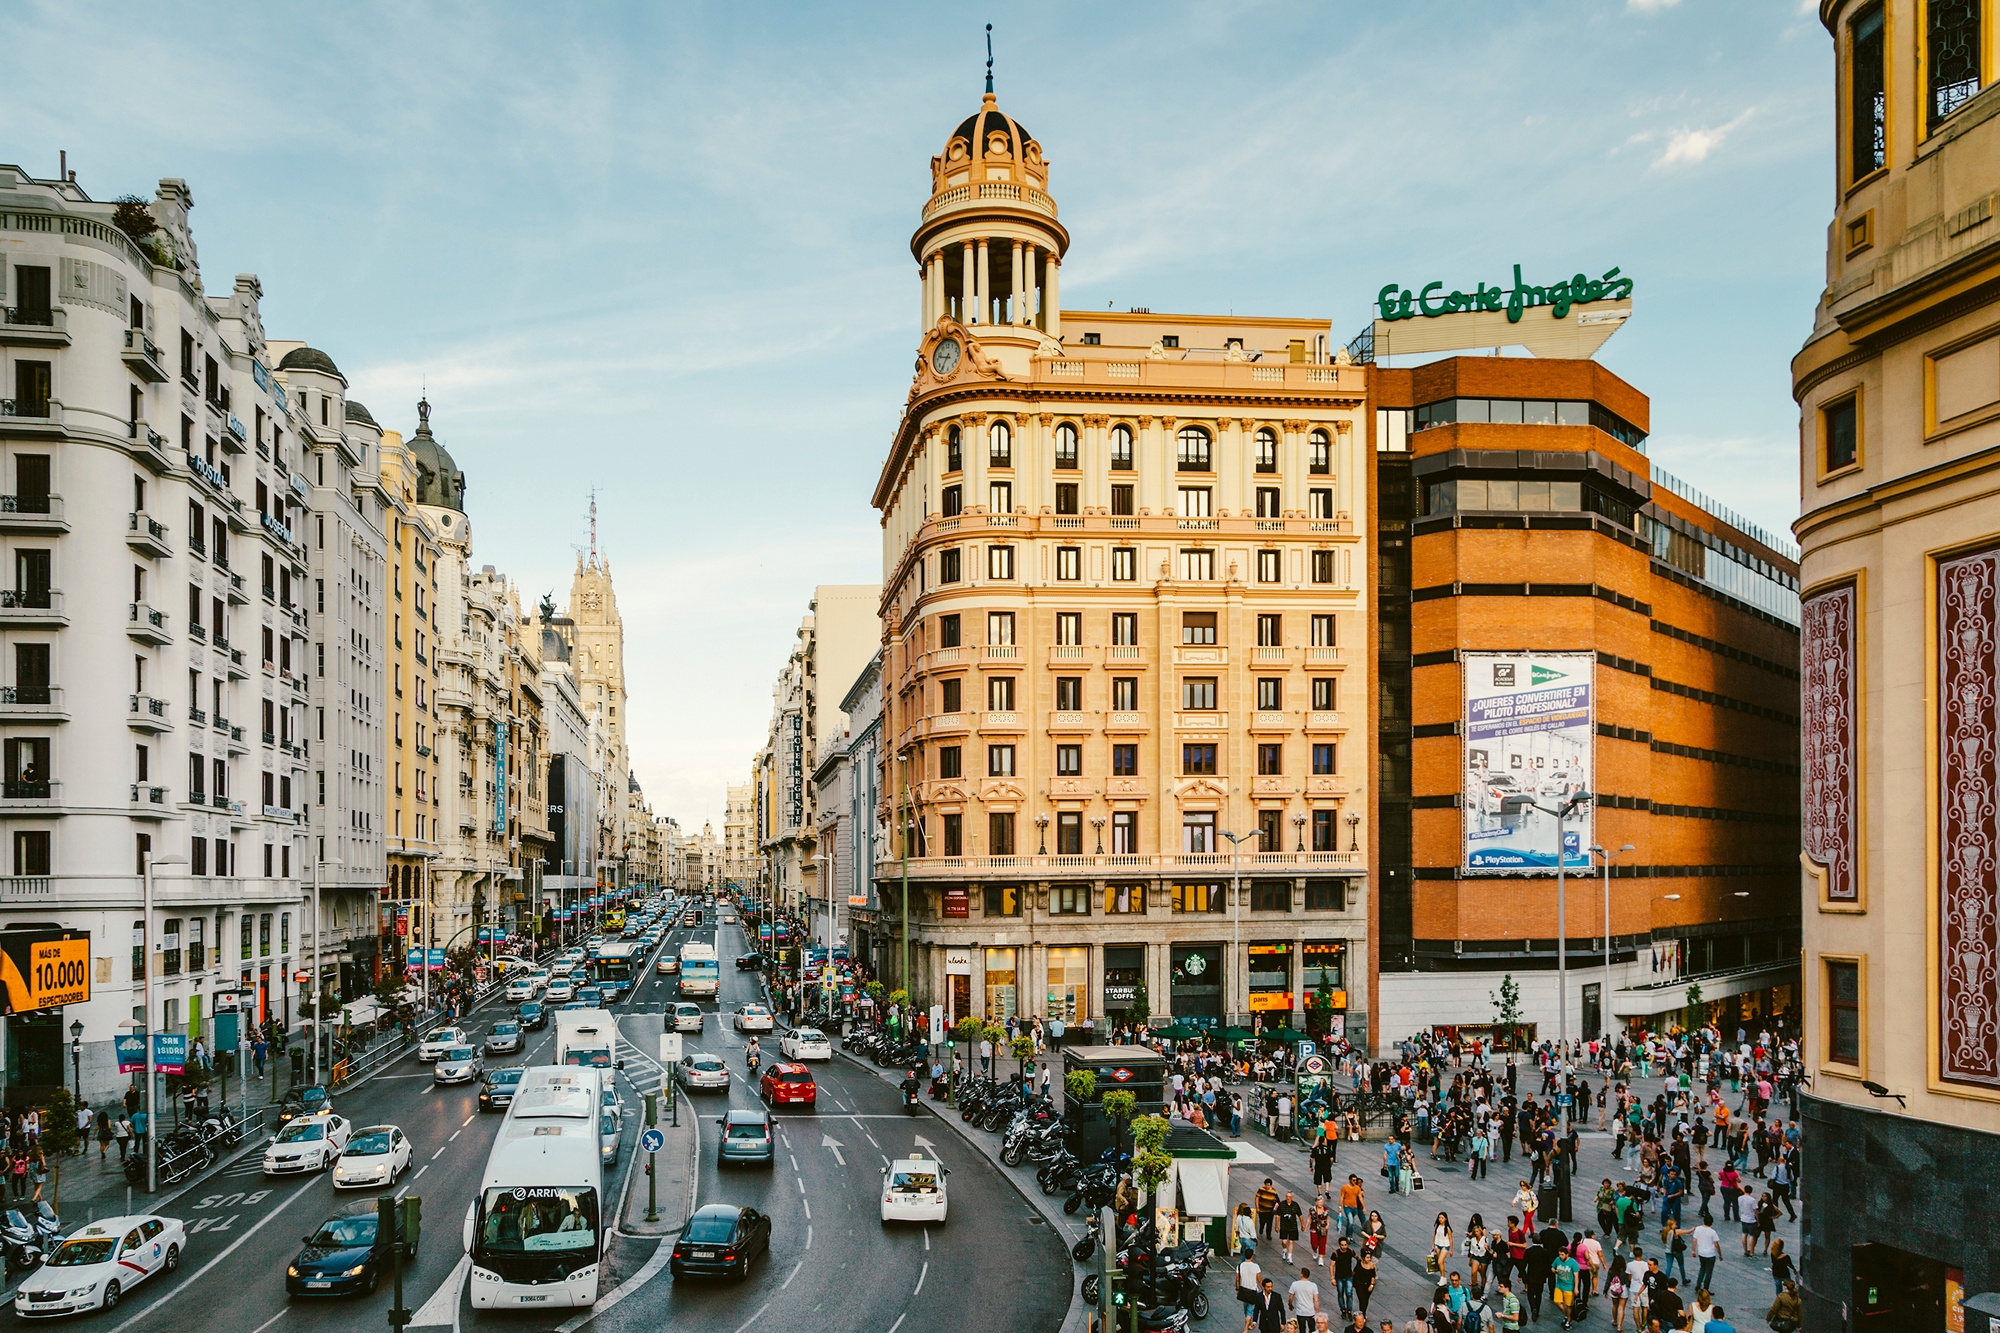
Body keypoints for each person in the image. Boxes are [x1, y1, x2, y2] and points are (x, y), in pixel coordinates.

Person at [1238, 1249, 1266, 1332]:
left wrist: (1237, 1288)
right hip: (1253, 1291)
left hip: (1243, 1290)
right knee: (1250, 1311)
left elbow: (1237, 1279)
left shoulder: (1240, 1266)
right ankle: (1246, 1328)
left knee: (1246, 1308)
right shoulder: (1256, 1266)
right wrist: (1264, 1290)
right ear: (1252, 1256)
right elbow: (1259, 1280)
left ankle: (1248, 1322)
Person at [1288, 1265, 1322, 1333]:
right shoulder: (1313, 1285)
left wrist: (1290, 1305)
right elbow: (1316, 1300)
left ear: (1301, 1274)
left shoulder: (1295, 1284)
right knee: (1312, 1329)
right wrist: (1317, 1312)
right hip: (1310, 1312)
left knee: (1302, 1330)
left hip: (1300, 1312)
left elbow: (1291, 1297)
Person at [1277, 1190, 1304, 1264]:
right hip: (1284, 1225)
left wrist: (1302, 1224)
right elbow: (1278, 1215)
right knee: (1284, 1241)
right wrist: (1276, 1225)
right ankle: (1284, 1249)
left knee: (1291, 1241)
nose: (1288, 1198)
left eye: (1289, 1196)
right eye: (1287, 1196)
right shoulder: (1282, 1204)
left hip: (1293, 1226)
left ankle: (1289, 1256)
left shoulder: (1295, 1205)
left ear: (1292, 1197)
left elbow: (1300, 1215)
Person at [1257, 1178, 1281, 1243]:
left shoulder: (1274, 1192)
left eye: (1268, 1185)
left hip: (1270, 1211)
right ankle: (1261, 1228)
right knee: (1262, 1222)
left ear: (1271, 1185)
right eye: (1266, 1185)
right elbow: (1257, 1198)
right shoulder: (1261, 1190)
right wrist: (1257, 1207)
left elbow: (1277, 1201)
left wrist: (1275, 1208)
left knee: (1269, 1223)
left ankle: (1268, 1235)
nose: (1267, 1186)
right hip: (1262, 1210)